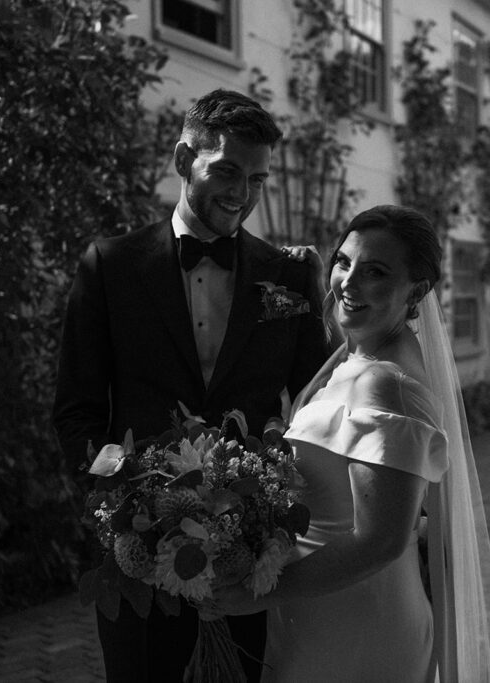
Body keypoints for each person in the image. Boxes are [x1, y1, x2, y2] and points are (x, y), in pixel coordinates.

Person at [52, 89, 331, 682]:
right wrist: (122, 503)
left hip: (249, 561)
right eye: (226, 171)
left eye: (257, 179)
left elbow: (320, 406)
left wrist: (275, 501)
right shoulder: (109, 267)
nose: (242, 193)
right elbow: (76, 411)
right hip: (138, 558)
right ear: (184, 159)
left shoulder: (288, 275)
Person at [214, 205, 490, 682]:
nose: (349, 281)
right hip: (313, 612)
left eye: (375, 272)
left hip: (357, 624)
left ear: (417, 291)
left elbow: (381, 540)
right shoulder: (357, 355)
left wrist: (259, 594)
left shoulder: (386, 384)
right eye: (344, 261)